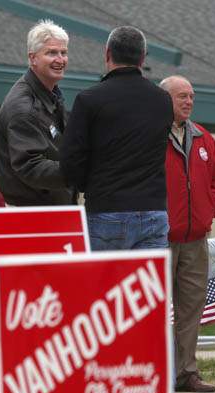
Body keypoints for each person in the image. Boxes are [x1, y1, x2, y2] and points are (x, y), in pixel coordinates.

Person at [60, 26, 173, 250]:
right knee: (148, 275)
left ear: (107, 53)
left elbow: (70, 160)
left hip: (106, 209)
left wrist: (87, 185)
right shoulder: (162, 100)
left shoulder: (89, 100)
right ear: (142, 58)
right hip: (153, 210)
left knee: (105, 274)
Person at [160, 75, 215, 393]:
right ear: (165, 100)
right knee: (155, 306)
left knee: (191, 308)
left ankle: (186, 373)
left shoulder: (203, 138)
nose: (188, 101)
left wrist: (207, 210)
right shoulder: (150, 136)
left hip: (195, 239)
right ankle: (157, 369)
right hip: (160, 237)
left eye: (191, 96)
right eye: (181, 96)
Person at [0, 19, 77, 206]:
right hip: (32, 213)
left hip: (52, 209)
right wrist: (77, 171)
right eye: (51, 53)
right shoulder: (24, 108)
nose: (60, 59)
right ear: (33, 58)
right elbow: (30, 166)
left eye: (63, 53)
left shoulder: (51, 95)